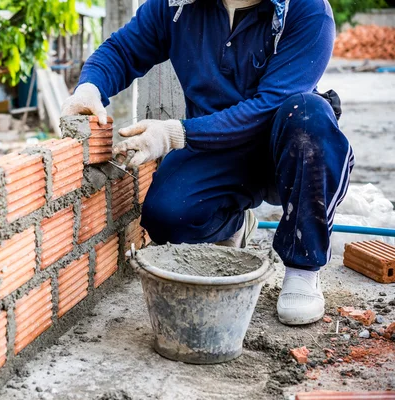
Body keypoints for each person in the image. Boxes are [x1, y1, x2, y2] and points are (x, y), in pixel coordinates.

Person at [61, 0, 354, 325]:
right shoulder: (178, 6)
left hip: (283, 148)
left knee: (309, 116)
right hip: (214, 144)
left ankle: (303, 268)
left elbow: (269, 105)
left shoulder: (305, 8)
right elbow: (122, 50)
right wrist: (90, 86)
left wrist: (173, 135)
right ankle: (234, 224)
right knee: (167, 215)